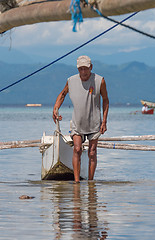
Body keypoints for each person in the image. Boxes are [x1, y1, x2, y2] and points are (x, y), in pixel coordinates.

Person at [52, 55, 109, 183]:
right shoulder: (71, 81)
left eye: (86, 69)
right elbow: (62, 94)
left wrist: (104, 121)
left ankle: (90, 182)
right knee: (77, 149)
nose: (83, 72)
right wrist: (55, 109)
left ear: (91, 67)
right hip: (77, 122)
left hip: (94, 122)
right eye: (81, 69)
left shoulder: (100, 80)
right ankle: (76, 183)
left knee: (92, 152)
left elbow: (105, 100)